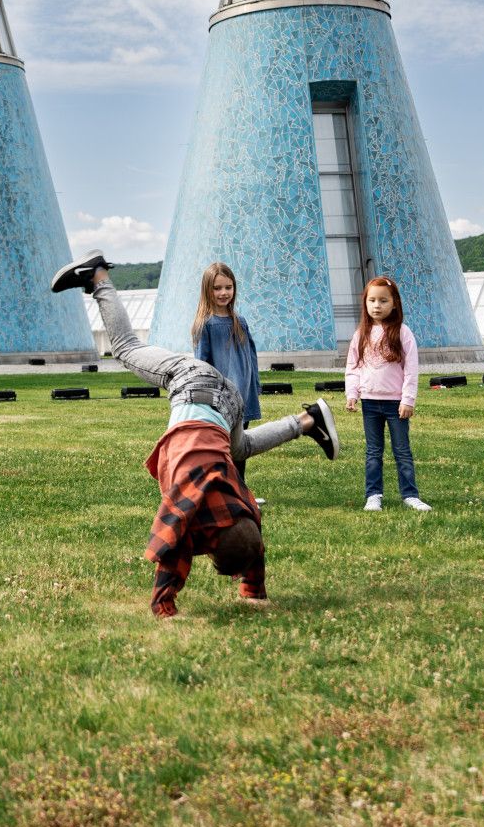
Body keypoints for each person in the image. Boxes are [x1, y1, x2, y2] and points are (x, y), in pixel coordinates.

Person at [52, 249, 338, 617]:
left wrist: (256, 590)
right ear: (212, 540)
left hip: (223, 400)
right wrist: (162, 606)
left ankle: (308, 421)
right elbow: (172, 546)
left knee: (243, 448)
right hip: (198, 384)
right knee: (125, 348)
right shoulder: (196, 498)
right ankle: (98, 276)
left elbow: (252, 541)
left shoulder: (243, 509)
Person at [344, 276, 427, 512]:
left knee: (402, 450)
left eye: (383, 300)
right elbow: (353, 367)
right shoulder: (361, 334)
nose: (377, 306)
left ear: (394, 304)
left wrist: (408, 399)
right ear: (365, 303)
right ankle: (373, 495)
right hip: (370, 402)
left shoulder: (402, 332)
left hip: (395, 404)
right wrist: (353, 394)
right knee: (373, 452)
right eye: (372, 300)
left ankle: (410, 495)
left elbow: (411, 369)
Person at [191, 262, 263, 493]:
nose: (223, 293)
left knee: (240, 447)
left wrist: (255, 386)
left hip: (244, 396)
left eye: (228, 287)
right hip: (222, 400)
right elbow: (202, 364)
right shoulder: (206, 325)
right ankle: (223, 492)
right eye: (217, 288)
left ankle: (240, 491)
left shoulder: (239, 321)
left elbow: (250, 357)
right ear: (207, 290)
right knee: (221, 448)